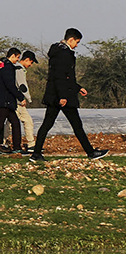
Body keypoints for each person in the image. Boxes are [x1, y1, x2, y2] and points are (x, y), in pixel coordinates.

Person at [31, 28, 108, 162]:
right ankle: (90, 152)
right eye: (76, 42)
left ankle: (36, 153)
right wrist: (63, 96)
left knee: (47, 124)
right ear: (70, 39)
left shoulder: (56, 51)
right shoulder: (64, 54)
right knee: (76, 125)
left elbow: (62, 76)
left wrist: (78, 88)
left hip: (54, 94)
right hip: (63, 95)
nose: (76, 45)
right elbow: (62, 76)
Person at [0, 47, 24, 154]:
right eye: (17, 58)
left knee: (14, 123)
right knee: (0, 124)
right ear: (12, 56)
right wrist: (20, 97)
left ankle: (16, 147)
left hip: (5, 101)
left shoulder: (2, 65)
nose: (17, 60)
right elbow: (10, 85)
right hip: (4, 101)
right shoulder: (8, 67)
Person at [10, 50, 38, 151]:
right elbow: (22, 86)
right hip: (18, 101)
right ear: (27, 60)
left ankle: (30, 144)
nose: (30, 65)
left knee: (18, 122)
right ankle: (30, 144)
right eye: (31, 62)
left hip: (16, 100)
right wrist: (26, 98)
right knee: (18, 122)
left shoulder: (16, 68)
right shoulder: (19, 69)